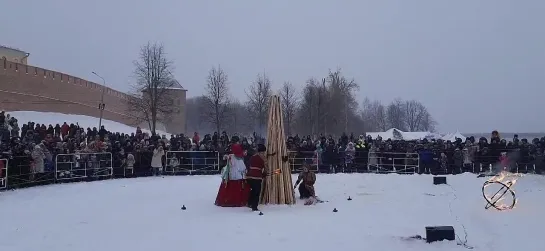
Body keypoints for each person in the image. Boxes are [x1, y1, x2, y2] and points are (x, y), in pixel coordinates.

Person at [215, 138, 249, 207]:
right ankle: (238, 201)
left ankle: (229, 200)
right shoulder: (238, 159)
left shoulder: (231, 156)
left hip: (231, 175)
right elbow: (242, 168)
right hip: (238, 176)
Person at [246, 144, 267, 211]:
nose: (264, 153)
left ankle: (249, 203)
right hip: (257, 177)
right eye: (263, 152)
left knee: (253, 190)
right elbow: (266, 169)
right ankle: (254, 207)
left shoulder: (253, 156)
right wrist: (264, 174)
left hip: (249, 176)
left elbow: (248, 164)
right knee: (257, 192)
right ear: (262, 151)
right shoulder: (263, 158)